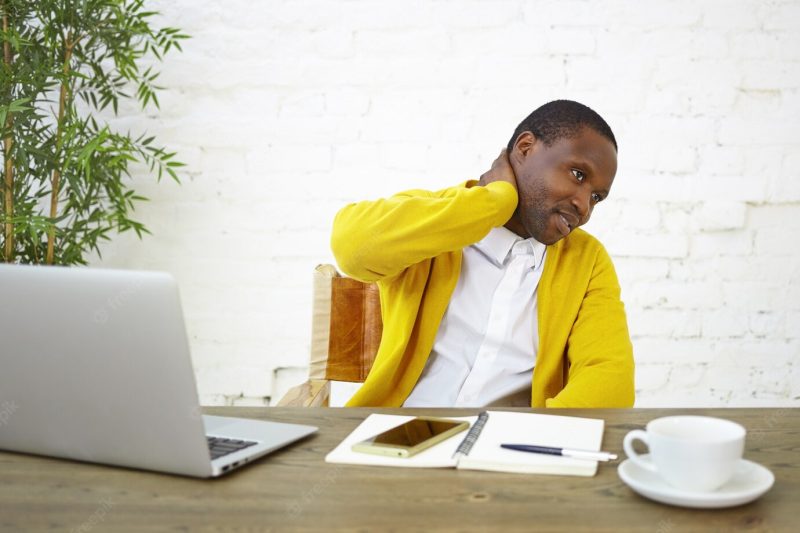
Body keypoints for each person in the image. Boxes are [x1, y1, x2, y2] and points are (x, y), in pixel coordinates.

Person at [331, 100, 634, 408]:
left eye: (597, 197)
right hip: (400, 437)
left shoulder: (587, 260)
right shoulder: (437, 217)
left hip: (508, 446)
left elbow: (610, 379)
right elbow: (351, 248)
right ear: (526, 147)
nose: (584, 206)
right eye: (578, 174)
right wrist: (494, 201)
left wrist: (534, 438)